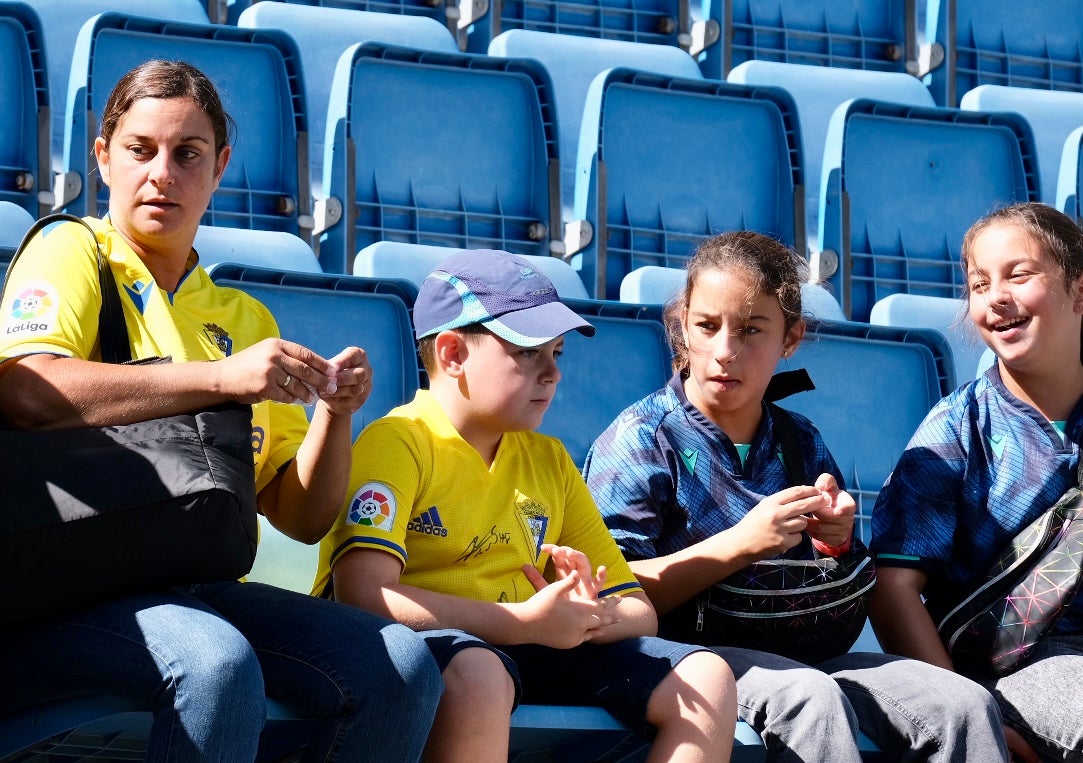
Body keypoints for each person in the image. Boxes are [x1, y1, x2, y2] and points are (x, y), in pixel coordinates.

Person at [0, 60, 442, 762]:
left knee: (399, 663)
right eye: (141, 150)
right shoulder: (71, 250)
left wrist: (335, 415)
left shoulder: (241, 316)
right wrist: (218, 378)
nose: (162, 173)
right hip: (61, 592)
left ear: (221, 165)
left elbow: (300, 514)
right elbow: (28, 389)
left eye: (188, 154)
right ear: (103, 155)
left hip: (194, 587)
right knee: (214, 662)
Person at [583, 230, 1009, 762]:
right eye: (707, 327)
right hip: (687, 658)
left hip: (803, 652)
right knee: (811, 700)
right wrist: (739, 545)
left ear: (791, 338)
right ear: (681, 326)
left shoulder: (799, 438)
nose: (724, 352)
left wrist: (835, 542)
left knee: (961, 703)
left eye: (751, 330)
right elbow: (611, 595)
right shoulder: (642, 438)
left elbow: (835, 586)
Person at [311, 248, 739, 763]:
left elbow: (638, 611)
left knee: (706, 679)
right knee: (480, 675)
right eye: (528, 353)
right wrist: (521, 622)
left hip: (531, 644)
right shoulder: (398, 442)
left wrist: (582, 614)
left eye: (557, 353)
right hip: (420, 652)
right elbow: (363, 594)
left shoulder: (549, 460)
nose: (552, 374)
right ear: (452, 354)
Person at [869, 201, 1083, 762]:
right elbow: (893, 588)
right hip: (1034, 666)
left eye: (1019, 275)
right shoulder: (954, 429)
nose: (996, 295)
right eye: (979, 283)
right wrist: (970, 711)